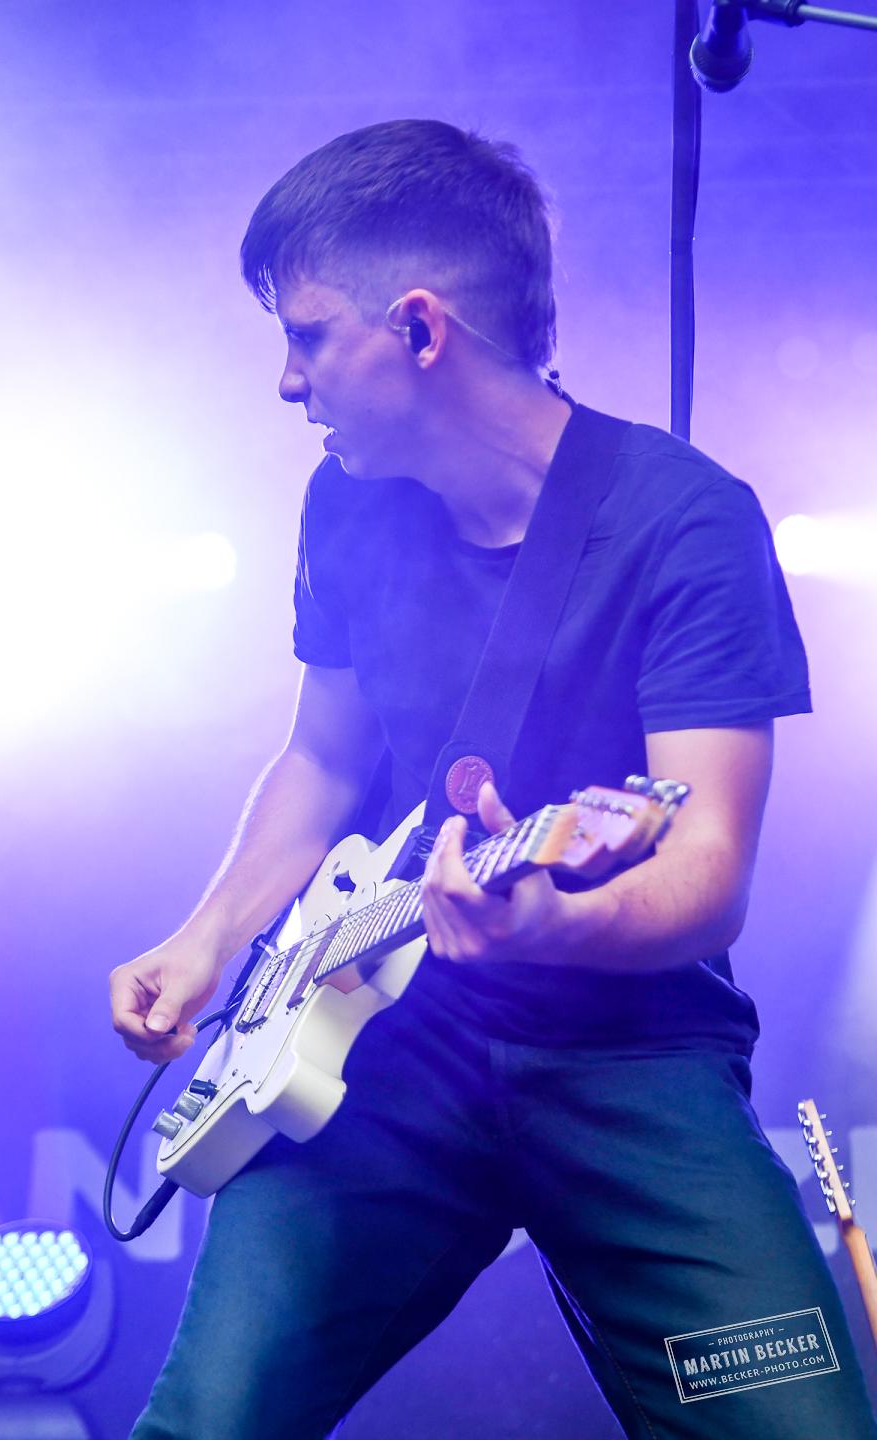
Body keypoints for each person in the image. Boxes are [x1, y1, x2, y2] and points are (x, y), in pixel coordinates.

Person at [111, 119, 877, 1439]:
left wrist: (556, 925)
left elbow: (705, 869)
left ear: (420, 329)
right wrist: (206, 939)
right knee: (205, 1425)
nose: (287, 382)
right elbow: (326, 756)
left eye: (307, 337)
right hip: (380, 1055)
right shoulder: (345, 504)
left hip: (631, 1055)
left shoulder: (684, 519)